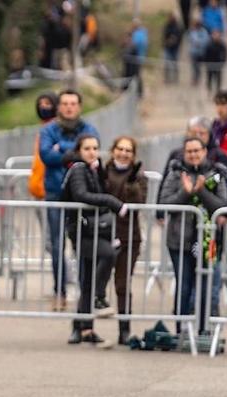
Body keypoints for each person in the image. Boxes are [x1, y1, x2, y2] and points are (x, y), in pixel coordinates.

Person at [159, 137, 227, 335]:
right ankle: (180, 330)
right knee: (184, 285)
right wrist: (186, 192)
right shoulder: (175, 173)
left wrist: (202, 192)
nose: (193, 155)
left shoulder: (216, 174)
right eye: (189, 151)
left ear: (204, 151)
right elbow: (164, 202)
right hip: (178, 240)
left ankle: (203, 329)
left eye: (197, 150)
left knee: (206, 286)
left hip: (207, 241)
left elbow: (223, 206)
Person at [39, 89, 100, 310]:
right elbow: (46, 155)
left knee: (83, 246)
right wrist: (76, 152)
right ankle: (60, 291)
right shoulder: (48, 130)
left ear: (79, 106)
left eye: (73, 103)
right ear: (59, 107)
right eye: (65, 103)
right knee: (56, 244)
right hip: (56, 193)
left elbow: (92, 151)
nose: (69, 107)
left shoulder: (89, 129)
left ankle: (85, 294)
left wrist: (62, 151)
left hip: (82, 194)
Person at [61, 134, 123, 347]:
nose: (92, 152)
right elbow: (81, 195)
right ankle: (97, 298)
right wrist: (112, 202)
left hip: (95, 229)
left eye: (95, 148)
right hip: (81, 230)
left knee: (86, 279)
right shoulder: (78, 168)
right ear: (79, 150)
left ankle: (83, 328)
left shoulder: (94, 169)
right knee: (106, 254)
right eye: (87, 148)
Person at [103, 136, 148, 345]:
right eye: (120, 149)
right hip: (102, 233)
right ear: (113, 150)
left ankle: (124, 329)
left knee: (122, 284)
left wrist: (131, 185)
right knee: (92, 282)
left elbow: (139, 203)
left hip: (129, 235)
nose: (123, 153)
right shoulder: (101, 172)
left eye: (128, 150)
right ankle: (83, 326)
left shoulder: (139, 175)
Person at [202, 30, 227, 95]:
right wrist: (206, 62)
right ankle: (209, 91)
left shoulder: (221, 44)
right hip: (210, 65)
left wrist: (223, 62)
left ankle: (218, 91)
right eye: (215, 35)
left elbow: (225, 54)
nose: (216, 37)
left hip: (218, 65)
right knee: (209, 79)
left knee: (218, 79)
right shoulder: (209, 44)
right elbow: (205, 54)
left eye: (217, 35)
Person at [163, 12, 184, 84]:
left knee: (175, 64)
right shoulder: (167, 26)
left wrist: (175, 40)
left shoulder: (178, 26)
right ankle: (167, 78)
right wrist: (168, 41)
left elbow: (180, 37)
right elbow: (164, 36)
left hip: (175, 48)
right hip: (168, 47)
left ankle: (176, 78)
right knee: (167, 63)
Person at [187, 19, 210, 87]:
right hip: (194, 52)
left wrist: (198, 42)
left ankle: (198, 79)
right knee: (194, 67)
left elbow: (205, 41)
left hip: (201, 53)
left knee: (199, 67)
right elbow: (190, 39)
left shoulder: (204, 32)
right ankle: (194, 79)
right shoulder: (192, 31)